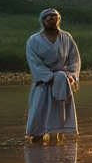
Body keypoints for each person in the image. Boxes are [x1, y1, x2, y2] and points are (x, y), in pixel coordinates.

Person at [26, 8, 80, 143]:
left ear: (58, 20)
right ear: (43, 21)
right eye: (48, 18)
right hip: (43, 82)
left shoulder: (67, 38)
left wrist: (71, 77)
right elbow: (34, 63)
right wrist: (49, 78)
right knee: (40, 110)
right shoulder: (34, 40)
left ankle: (57, 138)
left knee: (59, 112)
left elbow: (74, 59)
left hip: (62, 82)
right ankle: (38, 134)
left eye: (54, 17)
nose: (51, 19)